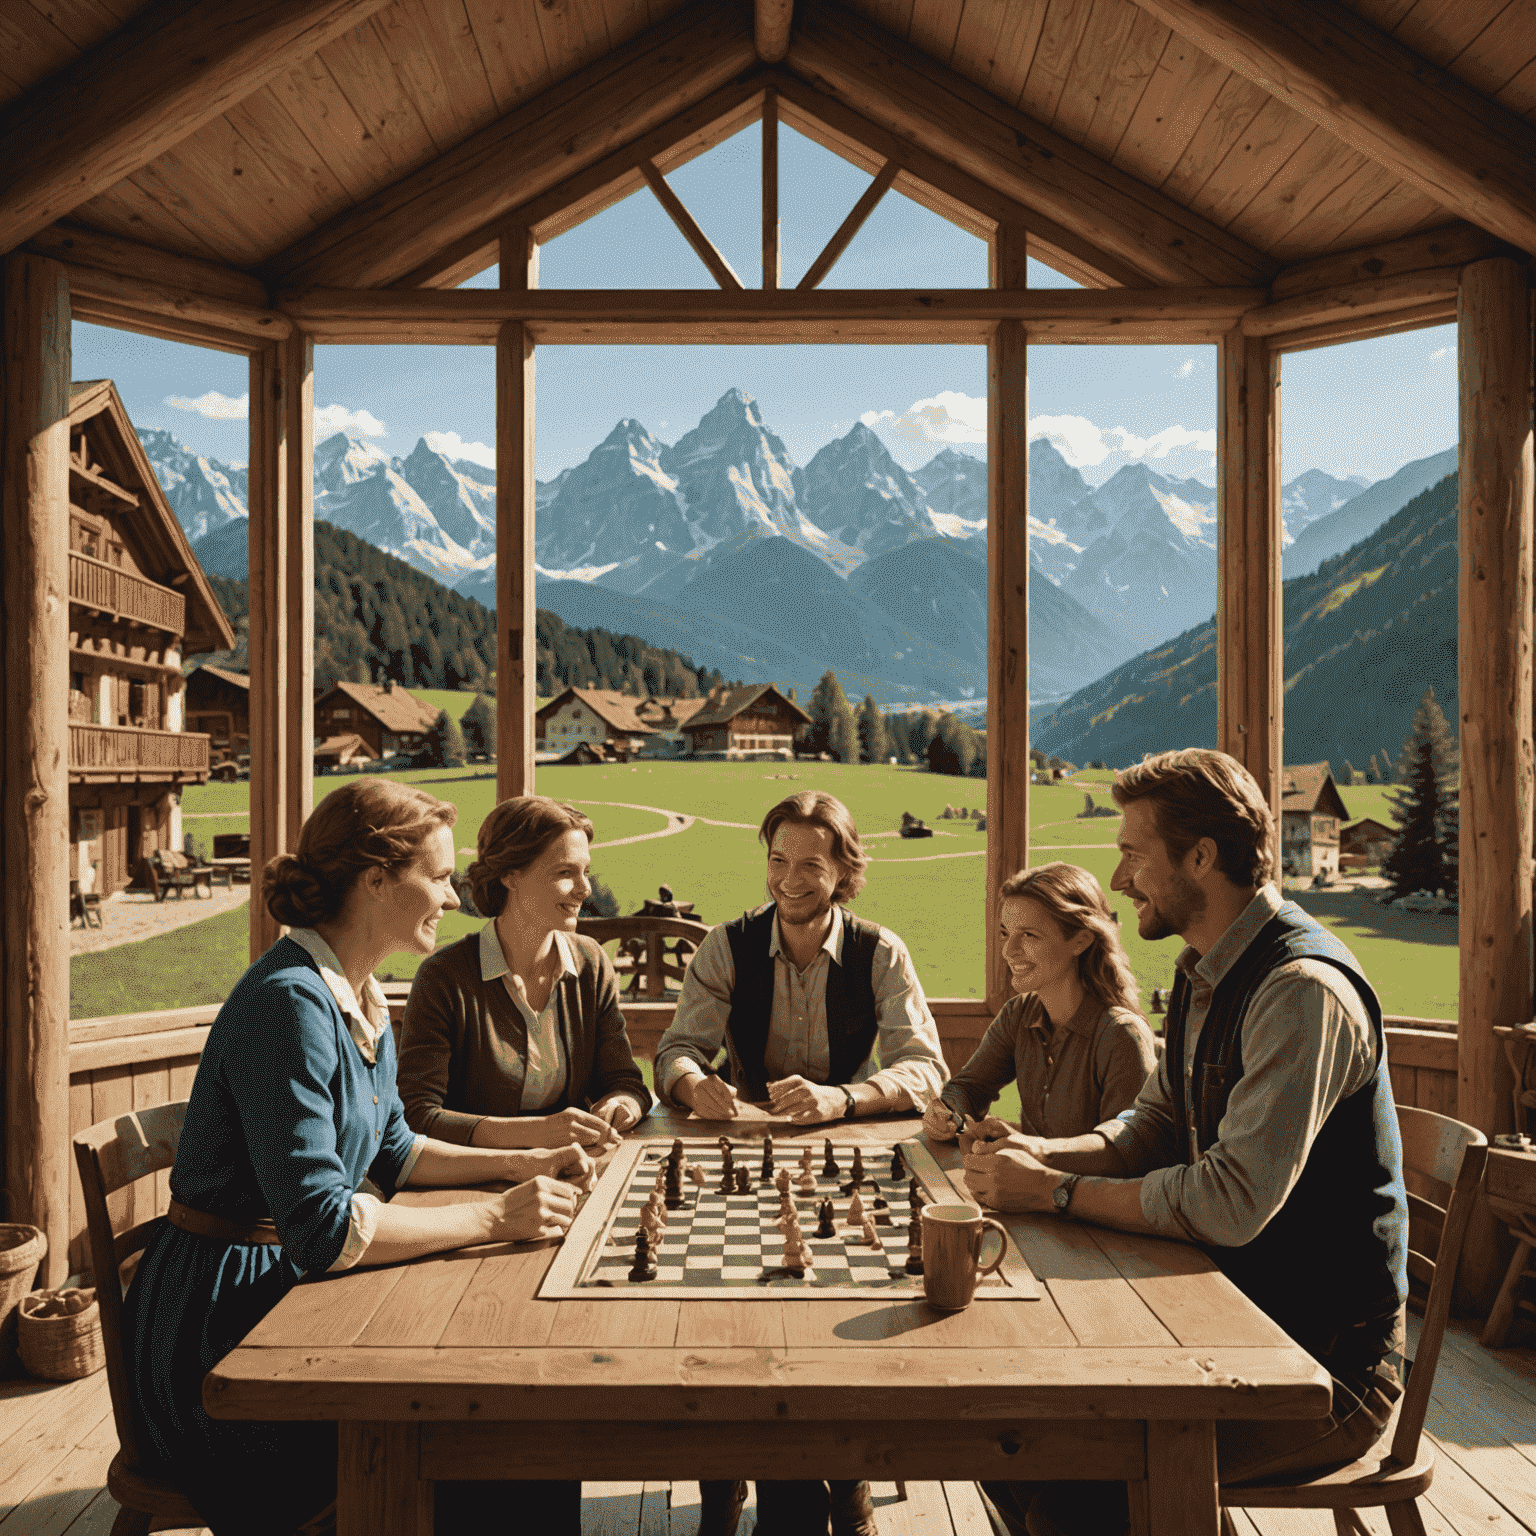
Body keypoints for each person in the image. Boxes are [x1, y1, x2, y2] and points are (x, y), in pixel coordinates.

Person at [122, 780, 594, 1536]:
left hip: (280, 1289)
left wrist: (522, 1165)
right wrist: (496, 1215)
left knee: (518, 1432)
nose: (452, 895)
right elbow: (324, 1230)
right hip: (223, 1340)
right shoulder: (291, 1005)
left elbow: (396, 1151)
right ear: (376, 878)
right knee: (500, 1440)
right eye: (437, 877)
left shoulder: (357, 995)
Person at [962, 750, 1408, 1536]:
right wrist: (1044, 1157)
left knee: (1067, 1489)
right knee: (1007, 1438)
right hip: (1233, 1316)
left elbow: (1230, 1205)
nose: (1122, 875)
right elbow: (1153, 1126)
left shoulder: (1300, 991)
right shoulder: (1207, 969)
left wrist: (1058, 1194)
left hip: (1323, 1368)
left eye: (1134, 851)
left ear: (1201, 856)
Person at [656, 790, 948, 1536]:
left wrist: (843, 1100)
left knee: (837, 1328)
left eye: (810, 864)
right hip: (743, 1160)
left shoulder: (881, 951)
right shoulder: (725, 944)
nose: (789, 878)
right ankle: (721, 1487)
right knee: (724, 1329)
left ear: (845, 870)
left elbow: (925, 1069)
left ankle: (844, 1482)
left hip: (844, 1161)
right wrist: (696, 1083)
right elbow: (675, 1051)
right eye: (778, 860)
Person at [398, 795, 650, 1154]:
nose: (585, 888)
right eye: (565, 873)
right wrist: (537, 1134)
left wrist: (621, 1105)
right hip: (472, 1180)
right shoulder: (444, 978)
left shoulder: (590, 963)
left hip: (570, 1166)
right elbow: (417, 1115)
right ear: (511, 876)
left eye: (585, 871)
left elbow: (624, 1080)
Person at [922, 862, 1157, 1147]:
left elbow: (1125, 1148)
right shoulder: (1018, 1015)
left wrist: (1030, 1148)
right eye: (1005, 933)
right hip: (1031, 1188)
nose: (1009, 951)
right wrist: (948, 1112)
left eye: (1029, 935)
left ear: (1080, 940)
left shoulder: (1121, 1035)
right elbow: (970, 1088)